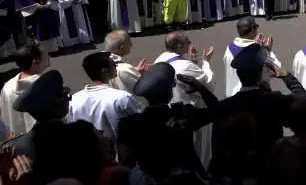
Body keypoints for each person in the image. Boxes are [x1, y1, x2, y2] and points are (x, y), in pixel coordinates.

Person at [154, 32, 216, 167]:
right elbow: (208, 84)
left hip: (168, 115)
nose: (190, 43)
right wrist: (205, 63)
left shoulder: (158, 61)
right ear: (178, 45)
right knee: (198, 151)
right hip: (189, 115)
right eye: (187, 41)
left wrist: (193, 62)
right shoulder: (186, 66)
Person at [69, 51, 142, 148]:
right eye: (113, 64)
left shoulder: (73, 100)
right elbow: (140, 125)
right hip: (118, 155)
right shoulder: (121, 98)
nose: (116, 66)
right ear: (104, 70)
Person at [5, 69, 71, 160]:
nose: (68, 101)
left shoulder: (12, 149)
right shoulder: (83, 139)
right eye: (67, 97)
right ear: (60, 103)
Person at [223, 16, 280, 98]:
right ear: (253, 30)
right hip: (251, 97)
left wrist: (256, 46)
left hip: (232, 96)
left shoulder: (228, 49)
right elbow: (277, 69)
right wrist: (268, 51)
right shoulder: (256, 53)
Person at [0, 43, 50, 136]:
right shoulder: (45, 86)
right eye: (45, 55)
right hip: (42, 141)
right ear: (35, 61)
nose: (48, 56)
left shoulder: (7, 86)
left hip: (16, 142)